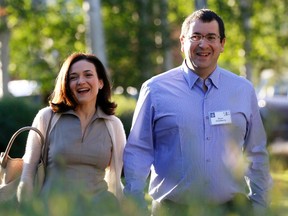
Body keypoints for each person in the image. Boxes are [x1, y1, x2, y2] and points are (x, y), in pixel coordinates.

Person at [123, 9, 272, 216]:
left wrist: (261, 205)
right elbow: (138, 150)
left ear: (222, 44)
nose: (203, 44)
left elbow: (256, 153)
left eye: (211, 37)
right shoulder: (155, 90)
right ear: (183, 42)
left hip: (231, 210)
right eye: (196, 37)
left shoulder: (243, 90)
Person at [17, 52, 126, 215]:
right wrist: (26, 207)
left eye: (88, 75)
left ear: (101, 82)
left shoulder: (113, 124)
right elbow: (27, 172)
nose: (81, 81)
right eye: (73, 77)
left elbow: (118, 178)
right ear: (66, 84)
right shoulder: (47, 117)